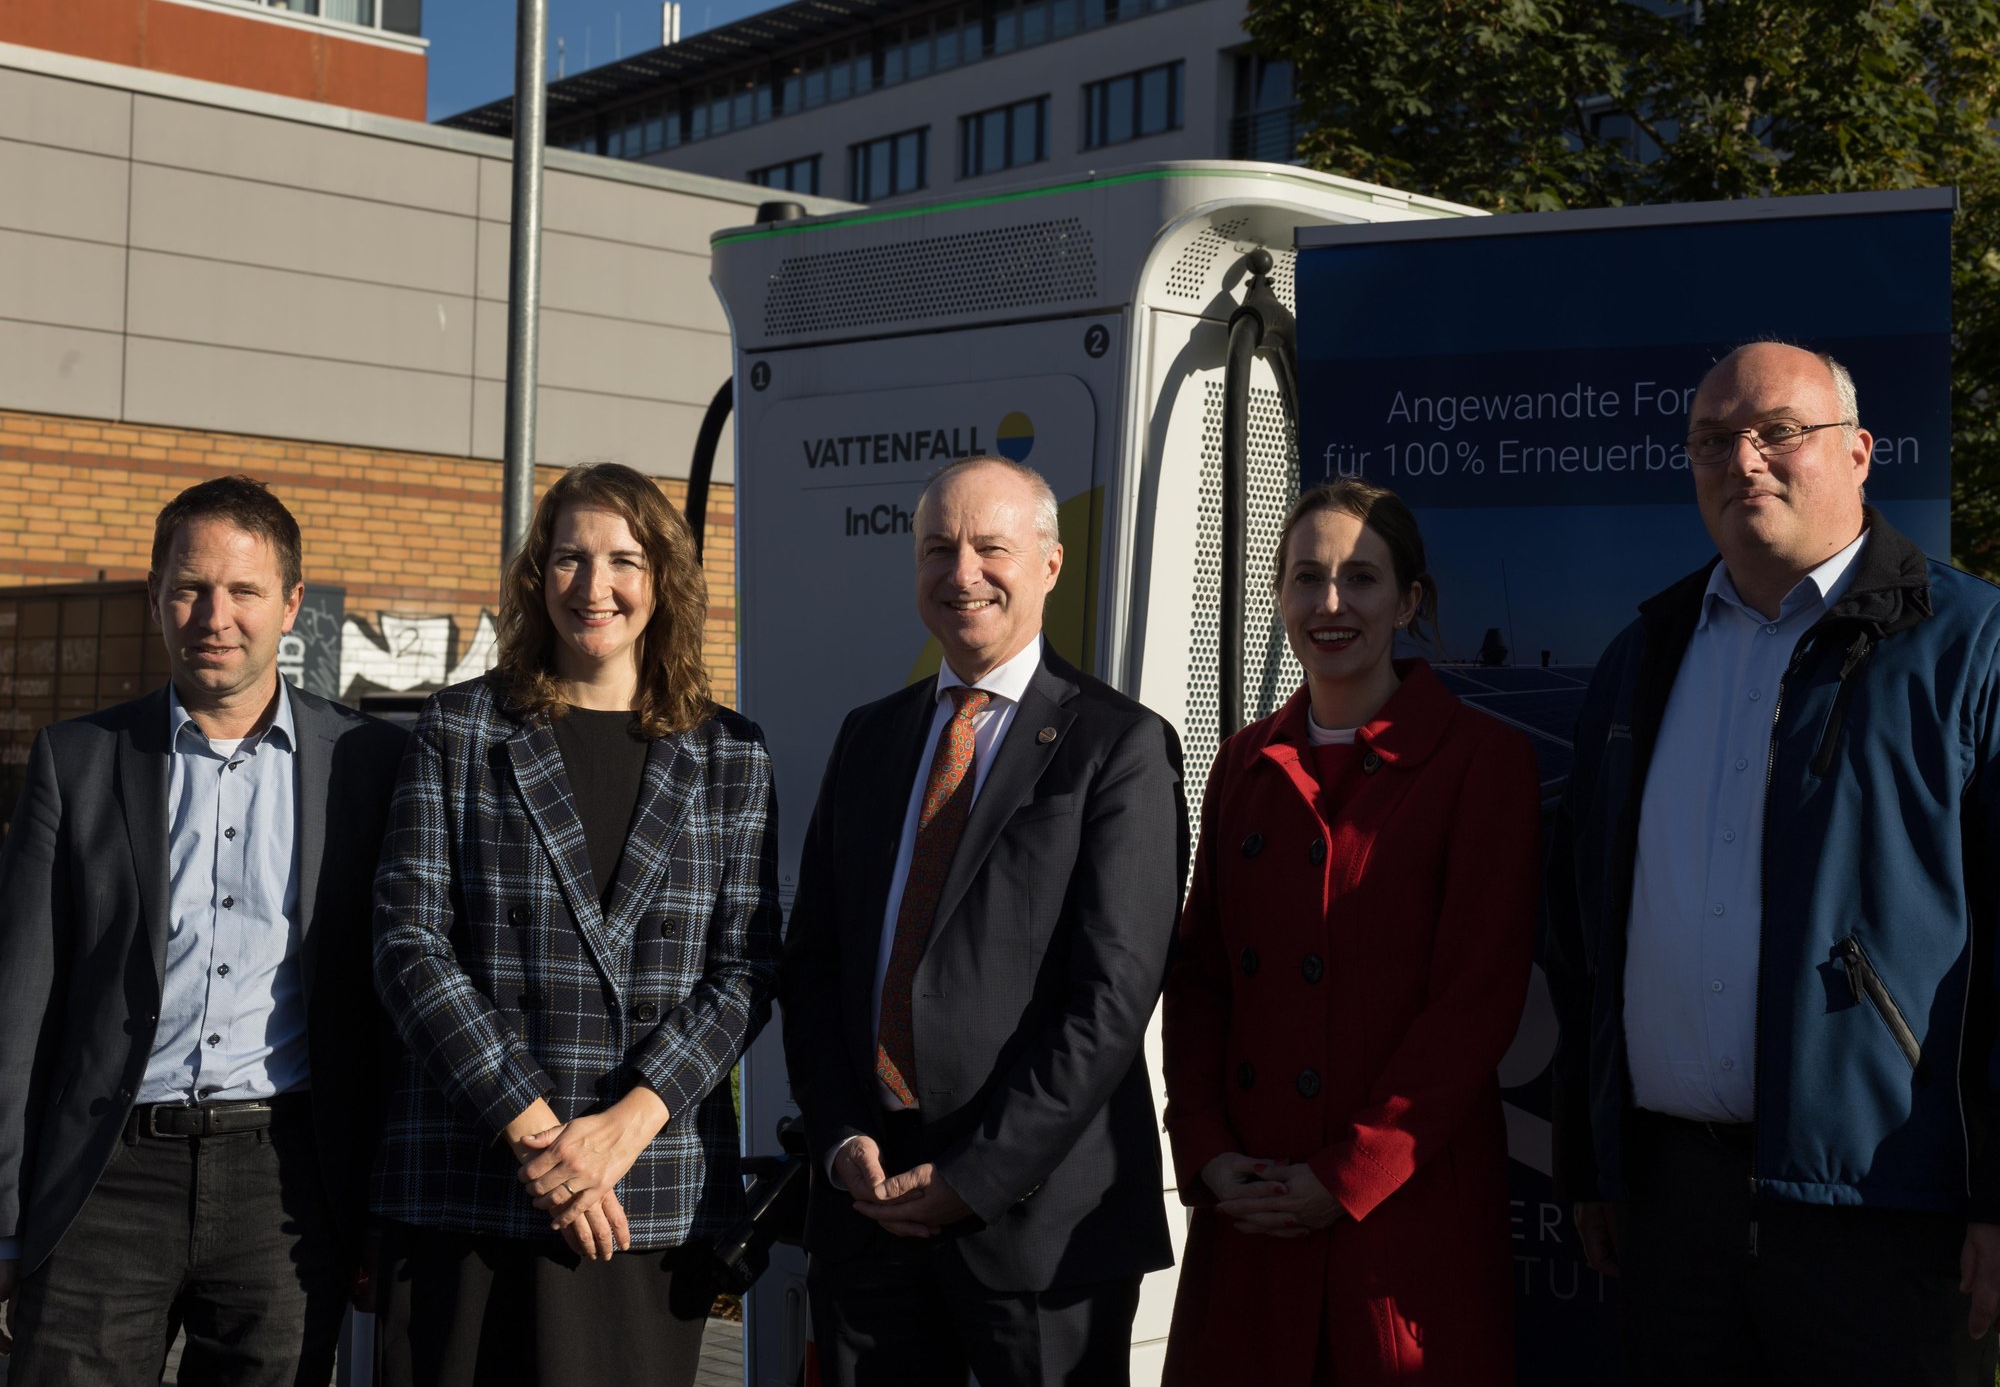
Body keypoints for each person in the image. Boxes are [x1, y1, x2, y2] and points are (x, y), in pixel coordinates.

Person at [1545, 341, 2000, 1384]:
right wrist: (1590, 1159)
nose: (1741, 460)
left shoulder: (1967, 646)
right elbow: (1581, 931)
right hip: (1672, 1207)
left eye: (1775, 432)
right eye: (1711, 440)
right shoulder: (1643, 655)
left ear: (1857, 452)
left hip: (1886, 1215)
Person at [780, 454, 1188, 1387]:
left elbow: (1112, 1001)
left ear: (1049, 563)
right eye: (937, 548)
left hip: (1037, 1230)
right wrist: (841, 1136)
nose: (961, 572)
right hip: (868, 1208)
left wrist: (976, 1178)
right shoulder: (869, 737)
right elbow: (813, 963)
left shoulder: (1117, 747)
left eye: (989, 546)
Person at [369, 462, 780, 1386]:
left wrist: (625, 1128)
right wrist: (541, 1135)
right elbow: (408, 944)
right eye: (569, 559)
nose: (595, 588)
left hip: (644, 1192)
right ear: (535, 577)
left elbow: (746, 968)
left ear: (664, 578)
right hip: (472, 1176)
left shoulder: (729, 755)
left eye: (624, 560)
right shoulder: (461, 729)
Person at [0, 476, 407, 1384]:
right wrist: (5, 1216)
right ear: (155, 595)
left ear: (291, 604)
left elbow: (391, 1010)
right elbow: (18, 1007)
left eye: (244, 591)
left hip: (287, 1190)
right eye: (188, 588)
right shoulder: (78, 762)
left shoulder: (371, 766)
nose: (213, 616)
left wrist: (379, 1212)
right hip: (102, 1182)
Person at [1160, 478, 1540, 1385]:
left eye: (1362, 579)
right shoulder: (1245, 763)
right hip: (1252, 1204)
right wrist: (1208, 1154)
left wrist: (1349, 1175)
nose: (1331, 604)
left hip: (1398, 1217)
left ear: (1409, 600)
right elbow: (1201, 977)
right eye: (1307, 577)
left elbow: (1474, 1003)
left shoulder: (1483, 762)